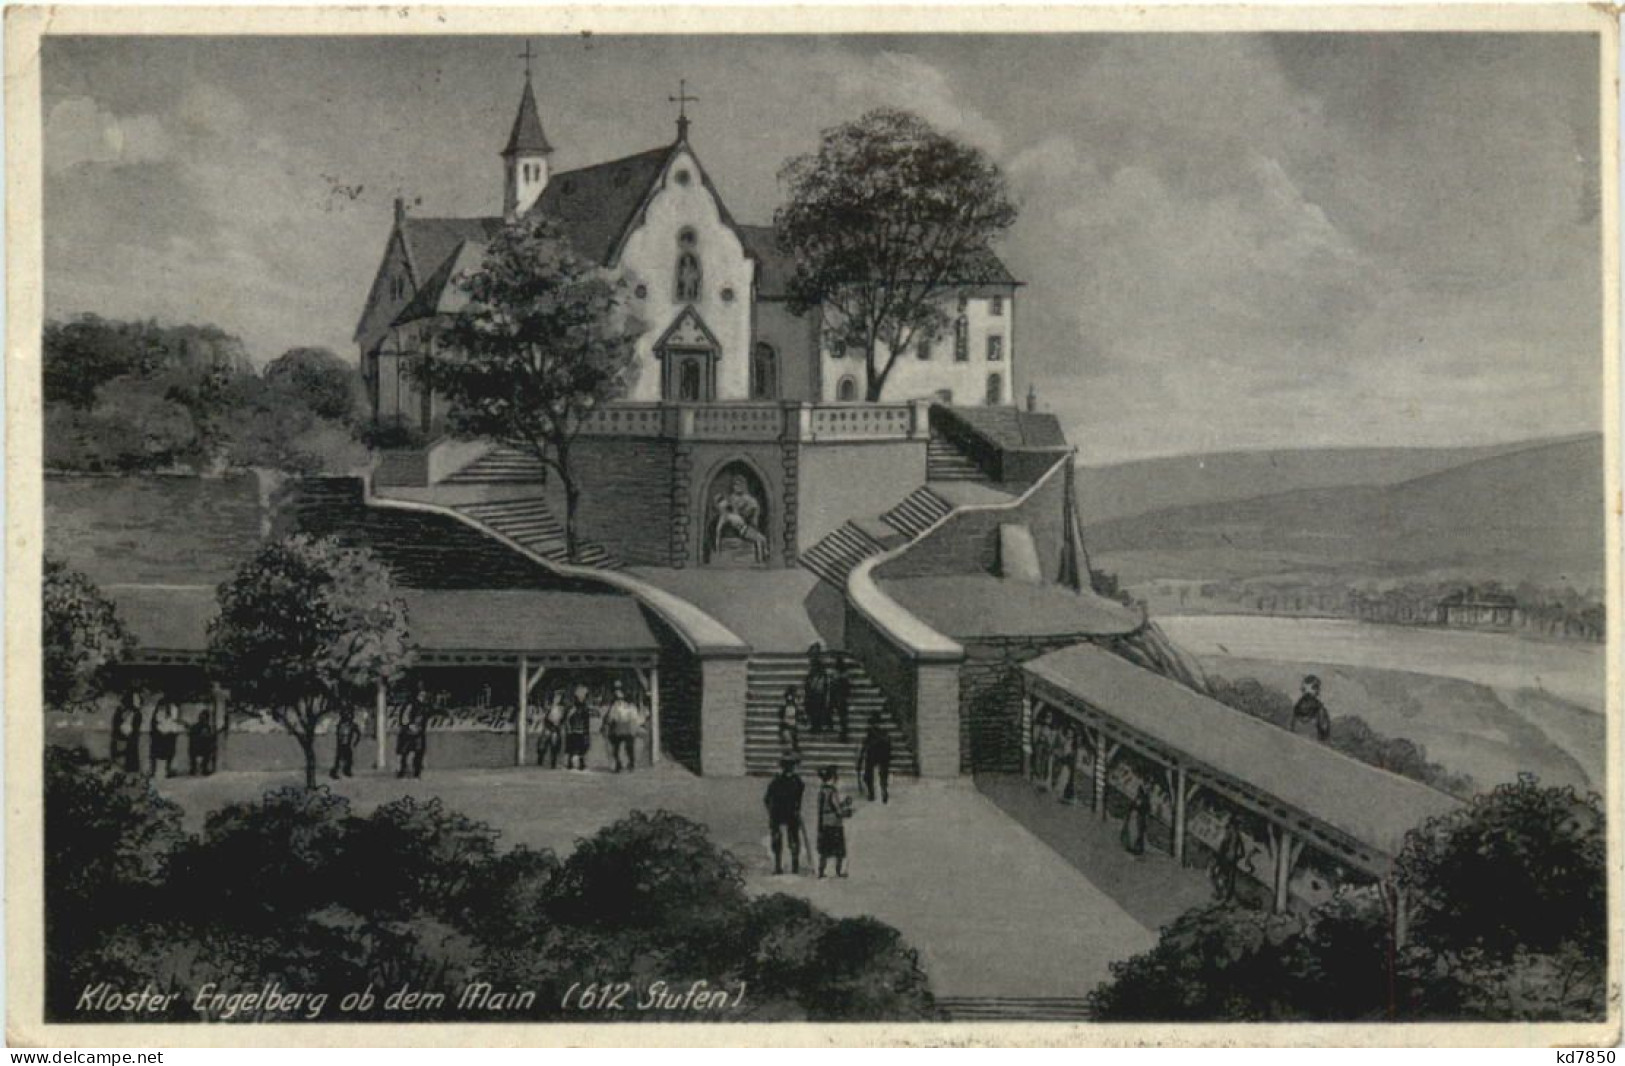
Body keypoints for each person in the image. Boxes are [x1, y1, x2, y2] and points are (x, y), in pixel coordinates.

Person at [763, 756, 806, 875]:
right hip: (786, 812)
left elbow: (767, 799)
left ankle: (784, 866)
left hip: (781, 812)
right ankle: (789, 866)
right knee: (787, 838)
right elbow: (767, 799)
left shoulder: (779, 781)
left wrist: (771, 810)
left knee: (787, 839)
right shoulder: (796, 781)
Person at [816, 766, 852, 879]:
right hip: (834, 823)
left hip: (824, 822)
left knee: (824, 850)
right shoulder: (832, 791)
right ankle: (838, 872)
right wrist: (846, 812)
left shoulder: (822, 790)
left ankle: (821, 871)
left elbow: (825, 807)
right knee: (839, 851)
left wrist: (843, 804)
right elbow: (836, 808)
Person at [601, 681, 643, 773]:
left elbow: (634, 717)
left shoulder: (630, 706)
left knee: (629, 747)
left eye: (620, 698)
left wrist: (635, 726)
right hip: (618, 728)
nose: (619, 700)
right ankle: (618, 764)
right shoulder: (614, 706)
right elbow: (611, 717)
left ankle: (631, 763)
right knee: (616, 748)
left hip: (627, 727)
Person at [1210, 815, 1253, 903]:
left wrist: (1219, 855)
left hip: (1225, 857)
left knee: (1218, 873)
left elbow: (1224, 844)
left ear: (1231, 824)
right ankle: (1227, 897)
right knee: (1228, 877)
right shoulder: (1238, 834)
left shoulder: (1229, 832)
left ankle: (1220, 894)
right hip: (1233, 859)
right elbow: (1242, 851)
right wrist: (1237, 857)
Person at [856, 716, 892, 803]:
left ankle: (873, 793)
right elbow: (889, 746)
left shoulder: (870, 734)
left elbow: (864, 747)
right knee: (882, 775)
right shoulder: (884, 734)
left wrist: (859, 762)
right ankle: (883, 790)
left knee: (869, 776)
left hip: (873, 756)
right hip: (883, 757)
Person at [1290, 675, 1332, 741]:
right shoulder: (1320, 710)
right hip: (1311, 745)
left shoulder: (1296, 707)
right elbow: (1325, 731)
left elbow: (1291, 726)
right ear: (1316, 690)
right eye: (1317, 688)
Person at [802, 644, 831, 735]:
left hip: (817, 692)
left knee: (816, 710)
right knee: (814, 709)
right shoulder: (816, 667)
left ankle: (817, 726)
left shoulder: (818, 667)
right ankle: (816, 725)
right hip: (815, 691)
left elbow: (821, 679)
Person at [563, 684, 593, 771]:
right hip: (574, 731)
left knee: (582, 748)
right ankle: (571, 763)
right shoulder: (573, 709)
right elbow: (567, 719)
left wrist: (586, 731)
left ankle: (580, 763)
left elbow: (586, 721)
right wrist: (568, 728)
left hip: (580, 731)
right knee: (573, 748)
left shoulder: (584, 709)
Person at [110, 692, 142, 773]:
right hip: (123, 737)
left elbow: (134, 727)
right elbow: (117, 724)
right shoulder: (122, 711)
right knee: (124, 754)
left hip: (128, 737)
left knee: (130, 754)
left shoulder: (135, 713)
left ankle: (131, 769)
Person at [148, 701, 181, 779]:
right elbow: (155, 722)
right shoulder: (159, 711)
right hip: (159, 735)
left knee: (169, 754)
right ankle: (153, 770)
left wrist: (172, 731)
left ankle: (168, 770)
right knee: (154, 754)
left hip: (169, 735)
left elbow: (174, 723)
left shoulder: (174, 710)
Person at [1120, 780, 1152, 856]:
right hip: (1138, 816)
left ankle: (1136, 847)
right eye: (1147, 786)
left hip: (1140, 816)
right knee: (1136, 831)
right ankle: (1135, 847)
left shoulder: (1144, 796)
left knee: (1139, 832)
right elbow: (1138, 805)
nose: (1148, 788)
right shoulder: (1142, 796)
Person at [396, 703, 427, 779]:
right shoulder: (409, 706)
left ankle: (414, 771)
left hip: (415, 734)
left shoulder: (421, 709)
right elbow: (404, 721)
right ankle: (404, 771)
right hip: (408, 734)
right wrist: (409, 727)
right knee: (405, 753)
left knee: (416, 752)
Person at [330, 706, 360, 779]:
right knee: (339, 759)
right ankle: (335, 772)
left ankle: (347, 771)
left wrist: (356, 742)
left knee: (349, 758)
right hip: (341, 744)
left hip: (347, 744)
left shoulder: (352, 725)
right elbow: (338, 734)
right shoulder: (341, 724)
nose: (348, 717)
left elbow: (358, 734)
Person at [537, 691, 565, 769]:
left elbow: (562, 719)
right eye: (556, 697)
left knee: (555, 745)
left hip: (556, 728)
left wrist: (559, 724)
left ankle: (553, 762)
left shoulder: (561, 708)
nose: (557, 699)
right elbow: (545, 718)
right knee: (543, 744)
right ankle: (540, 758)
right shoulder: (549, 707)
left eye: (559, 698)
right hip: (548, 727)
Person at [188, 708, 218, 777]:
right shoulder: (204, 727)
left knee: (208, 750)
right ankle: (201, 769)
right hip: (199, 748)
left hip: (197, 748)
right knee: (208, 751)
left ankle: (196, 768)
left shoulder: (204, 726)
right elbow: (206, 736)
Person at [829, 662, 853, 743]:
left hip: (839, 699)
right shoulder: (845, 677)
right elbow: (848, 689)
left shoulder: (835, 677)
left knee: (842, 718)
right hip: (843, 700)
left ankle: (843, 735)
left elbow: (832, 689)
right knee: (844, 719)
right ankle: (844, 735)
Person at [777, 686, 803, 755]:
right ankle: (789, 750)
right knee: (788, 737)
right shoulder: (786, 703)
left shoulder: (794, 703)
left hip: (792, 722)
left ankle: (793, 749)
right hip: (787, 722)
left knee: (793, 736)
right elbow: (781, 713)